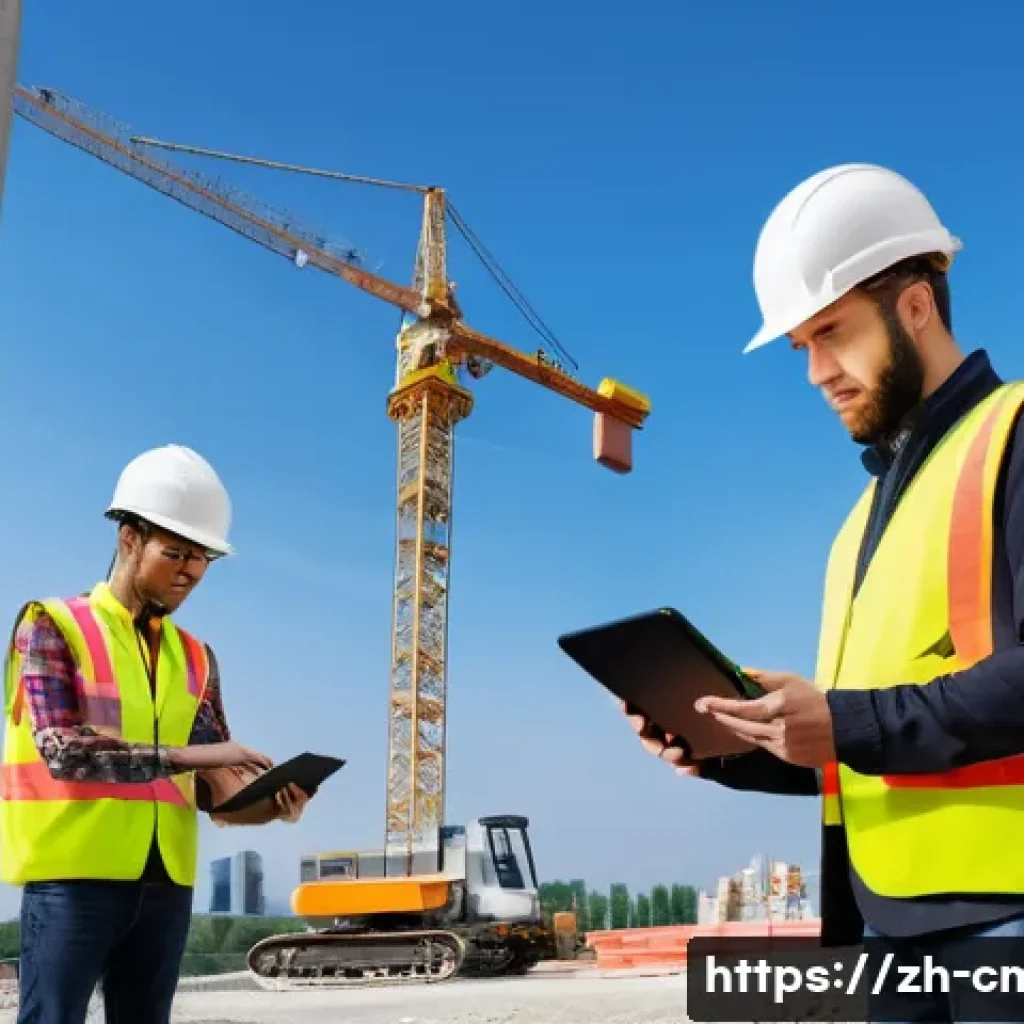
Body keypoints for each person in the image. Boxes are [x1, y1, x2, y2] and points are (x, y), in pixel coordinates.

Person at [625, 164, 1024, 1019]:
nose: (815, 371)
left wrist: (843, 719)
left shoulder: (1015, 436)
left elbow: (873, 721)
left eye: (831, 332)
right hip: (888, 927)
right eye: (801, 345)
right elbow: (866, 757)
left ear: (915, 304)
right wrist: (740, 747)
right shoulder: (856, 528)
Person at [1, 444, 310, 1023]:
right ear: (129, 539)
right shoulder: (52, 626)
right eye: (177, 553)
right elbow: (64, 752)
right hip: (73, 879)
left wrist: (270, 806)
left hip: (166, 884)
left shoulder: (195, 658)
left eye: (204, 558)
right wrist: (196, 752)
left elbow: (211, 788)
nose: (192, 571)